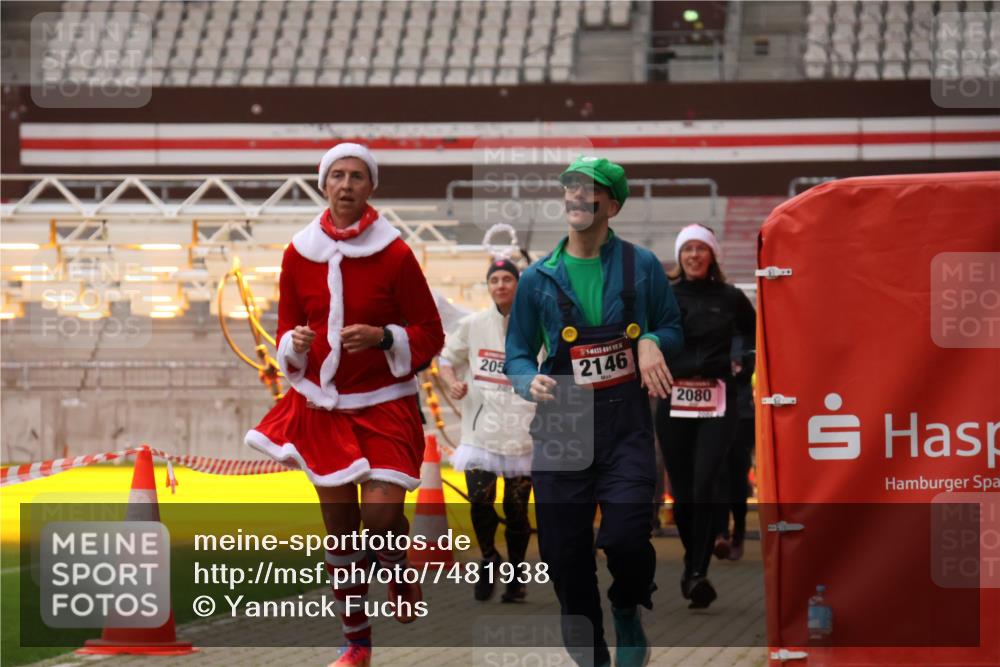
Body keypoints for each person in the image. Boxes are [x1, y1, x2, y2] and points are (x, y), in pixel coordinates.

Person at [244, 143, 445, 667]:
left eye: (357, 176)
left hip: (384, 403)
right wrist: (295, 347)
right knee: (340, 530)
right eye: (338, 175)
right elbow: (286, 324)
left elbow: (430, 332)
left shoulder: (396, 253)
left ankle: (398, 567)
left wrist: (384, 338)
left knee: (379, 519)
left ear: (370, 187)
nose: (347, 184)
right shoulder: (298, 252)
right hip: (322, 406)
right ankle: (357, 640)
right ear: (323, 185)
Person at [505, 156, 683, 667]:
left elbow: (672, 327)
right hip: (561, 423)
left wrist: (651, 339)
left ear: (613, 205)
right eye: (571, 189)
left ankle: (627, 603)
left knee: (627, 535)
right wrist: (524, 377)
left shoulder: (641, 266)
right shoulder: (538, 278)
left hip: (624, 422)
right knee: (564, 558)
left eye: (591, 191)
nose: (578, 197)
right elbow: (518, 349)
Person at [654, 224, 756, 610]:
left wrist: (742, 367)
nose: (694, 255)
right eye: (687, 249)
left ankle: (697, 573)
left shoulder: (731, 297)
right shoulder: (664, 296)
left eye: (701, 248)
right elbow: (647, 336)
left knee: (704, 482)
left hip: (717, 399)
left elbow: (753, 334)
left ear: (712, 255)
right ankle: (690, 562)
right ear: (679, 257)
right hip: (674, 398)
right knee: (682, 493)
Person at [438, 258, 535, 603]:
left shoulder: (536, 325)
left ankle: (516, 574)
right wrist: (451, 383)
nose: (500, 285)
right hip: (479, 433)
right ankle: (489, 558)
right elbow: (447, 359)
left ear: (517, 284)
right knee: (480, 501)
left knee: (516, 511)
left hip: (521, 432)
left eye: (507, 278)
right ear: (488, 286)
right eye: (494, 279)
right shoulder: (473, 324)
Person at [713, 338, 756, 561]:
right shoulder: (711, 333)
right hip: (714, 410)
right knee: (719, 474)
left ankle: (738, 533)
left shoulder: (745, 336)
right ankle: (721, 533)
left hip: (743, 414)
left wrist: (740, 368)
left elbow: (752, 366)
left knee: (738, 475)